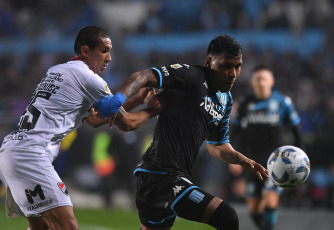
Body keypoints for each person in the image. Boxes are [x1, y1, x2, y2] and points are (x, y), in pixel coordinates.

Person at [0, 25, 162, 230]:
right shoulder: (89, 78)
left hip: (11, 151)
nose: (109, 58)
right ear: (86, 51)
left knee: (41, 228)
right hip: (30, 155)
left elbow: (95, 119)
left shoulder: (56, 70)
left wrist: (137, 101)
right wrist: (154, 110)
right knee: (68, 226)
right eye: (104, 50)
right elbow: (126, 123)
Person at [99, 34, 269, 230]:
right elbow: (143, 76)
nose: (233, 73)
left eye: (237, 66)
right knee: (227, 217)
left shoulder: (226, 100)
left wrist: (242, 160)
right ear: (209, 62)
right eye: (226, 66)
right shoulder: (191, 76)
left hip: (168, 179)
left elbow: (217, 146)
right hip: (160, 176)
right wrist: (117, 100)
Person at [230, 64, 302, 230]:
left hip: (276, 161)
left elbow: (296, 131)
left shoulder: (283, 102)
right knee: (254, 207)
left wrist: (299, 157)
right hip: (250, 161)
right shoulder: (245, 103)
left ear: (272, 81)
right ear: (252, 82)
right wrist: (233, 159)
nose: (261, 82)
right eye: (258, 79)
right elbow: (235, 133)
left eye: (264, 78)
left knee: (269, 201)